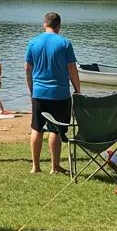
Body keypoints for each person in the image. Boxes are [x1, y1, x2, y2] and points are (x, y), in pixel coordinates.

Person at [25, 12, 81, 175]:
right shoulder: (64, 43)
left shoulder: (33, 42)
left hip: (39, 92)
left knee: (36, 128)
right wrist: (78, 90)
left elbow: (28, 69)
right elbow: (72, 69)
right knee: (55, 129)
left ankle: (35, 166)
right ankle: (54, 166)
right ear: (59, 26)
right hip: (60, 93)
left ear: (44, 24)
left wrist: (31, 89)